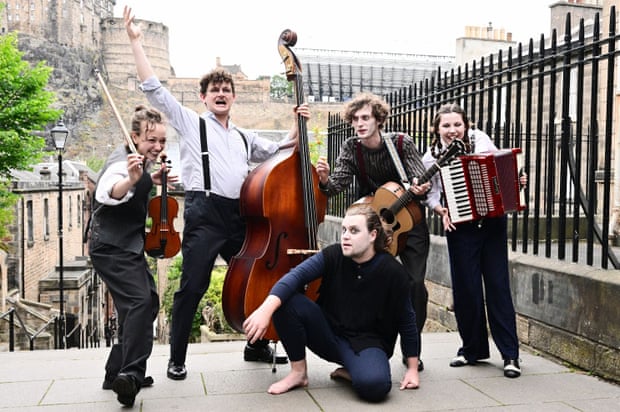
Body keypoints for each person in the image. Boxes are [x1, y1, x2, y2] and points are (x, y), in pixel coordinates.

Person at [124, 6, 311, 380]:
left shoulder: (244, 136)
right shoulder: (191, 123)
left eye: (227, 90)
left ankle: (254, 345)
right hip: (205, 215)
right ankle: (177, 359)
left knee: (258, 276)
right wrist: (135, 43)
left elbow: (282, 148)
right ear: (204, 97)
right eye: (215, 91)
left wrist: (299, 118)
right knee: (192, 287)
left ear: (233, 97)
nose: (221, 94)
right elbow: (154, 90)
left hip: (238, 216)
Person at [243, 203, 420, 402]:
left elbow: (407, 320)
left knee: (376, 387)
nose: (345, 236)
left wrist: (412, 369)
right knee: (285, 301)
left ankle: (353, 370)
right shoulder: (334, 255)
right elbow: (296, 276)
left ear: (372, 235)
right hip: (328, 334)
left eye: (354, 231)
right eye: (344, 230)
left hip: (368, 344)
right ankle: (298, 373)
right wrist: (265, 309)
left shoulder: (393, 272)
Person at [315, 92, 430, 371]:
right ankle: (369, 346)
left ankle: (410, 350)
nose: (359, 123)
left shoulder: (401, 143)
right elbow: (335, 188)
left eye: (365, 117)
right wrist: (325, 179)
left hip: (408, 222)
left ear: (378, 119)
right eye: (355, 119)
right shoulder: (351, 147)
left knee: (414, 285)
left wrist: (419, 188)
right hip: (373, 224)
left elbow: (419, 182)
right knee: (371, 282)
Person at [422, 103, 525, 378]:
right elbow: (430, 193)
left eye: (457, 124)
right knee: (466, 290)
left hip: (491, 223)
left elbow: (501, 168)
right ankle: (472, 350)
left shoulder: (480, 141)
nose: (452, 130)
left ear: (466, 125)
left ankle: (510, 355)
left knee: (498, 286)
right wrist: (440, 209)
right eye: (446, 125)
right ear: (436, 128)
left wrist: (517, 179)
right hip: (460, 226)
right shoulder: (431, 157)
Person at [89, 105, 173, 406]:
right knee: (139, 302)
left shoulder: (141, 163)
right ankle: (132, 376)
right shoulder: (121, 164)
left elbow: (140, 181)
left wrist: (154, 180)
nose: (158, 146)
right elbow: (109, 190)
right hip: (111, 247)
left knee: (147, 302)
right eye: (151, 140)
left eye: (162, 141)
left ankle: (116, 372)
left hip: (127, 246)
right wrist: (132, 180)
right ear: (134, 137)